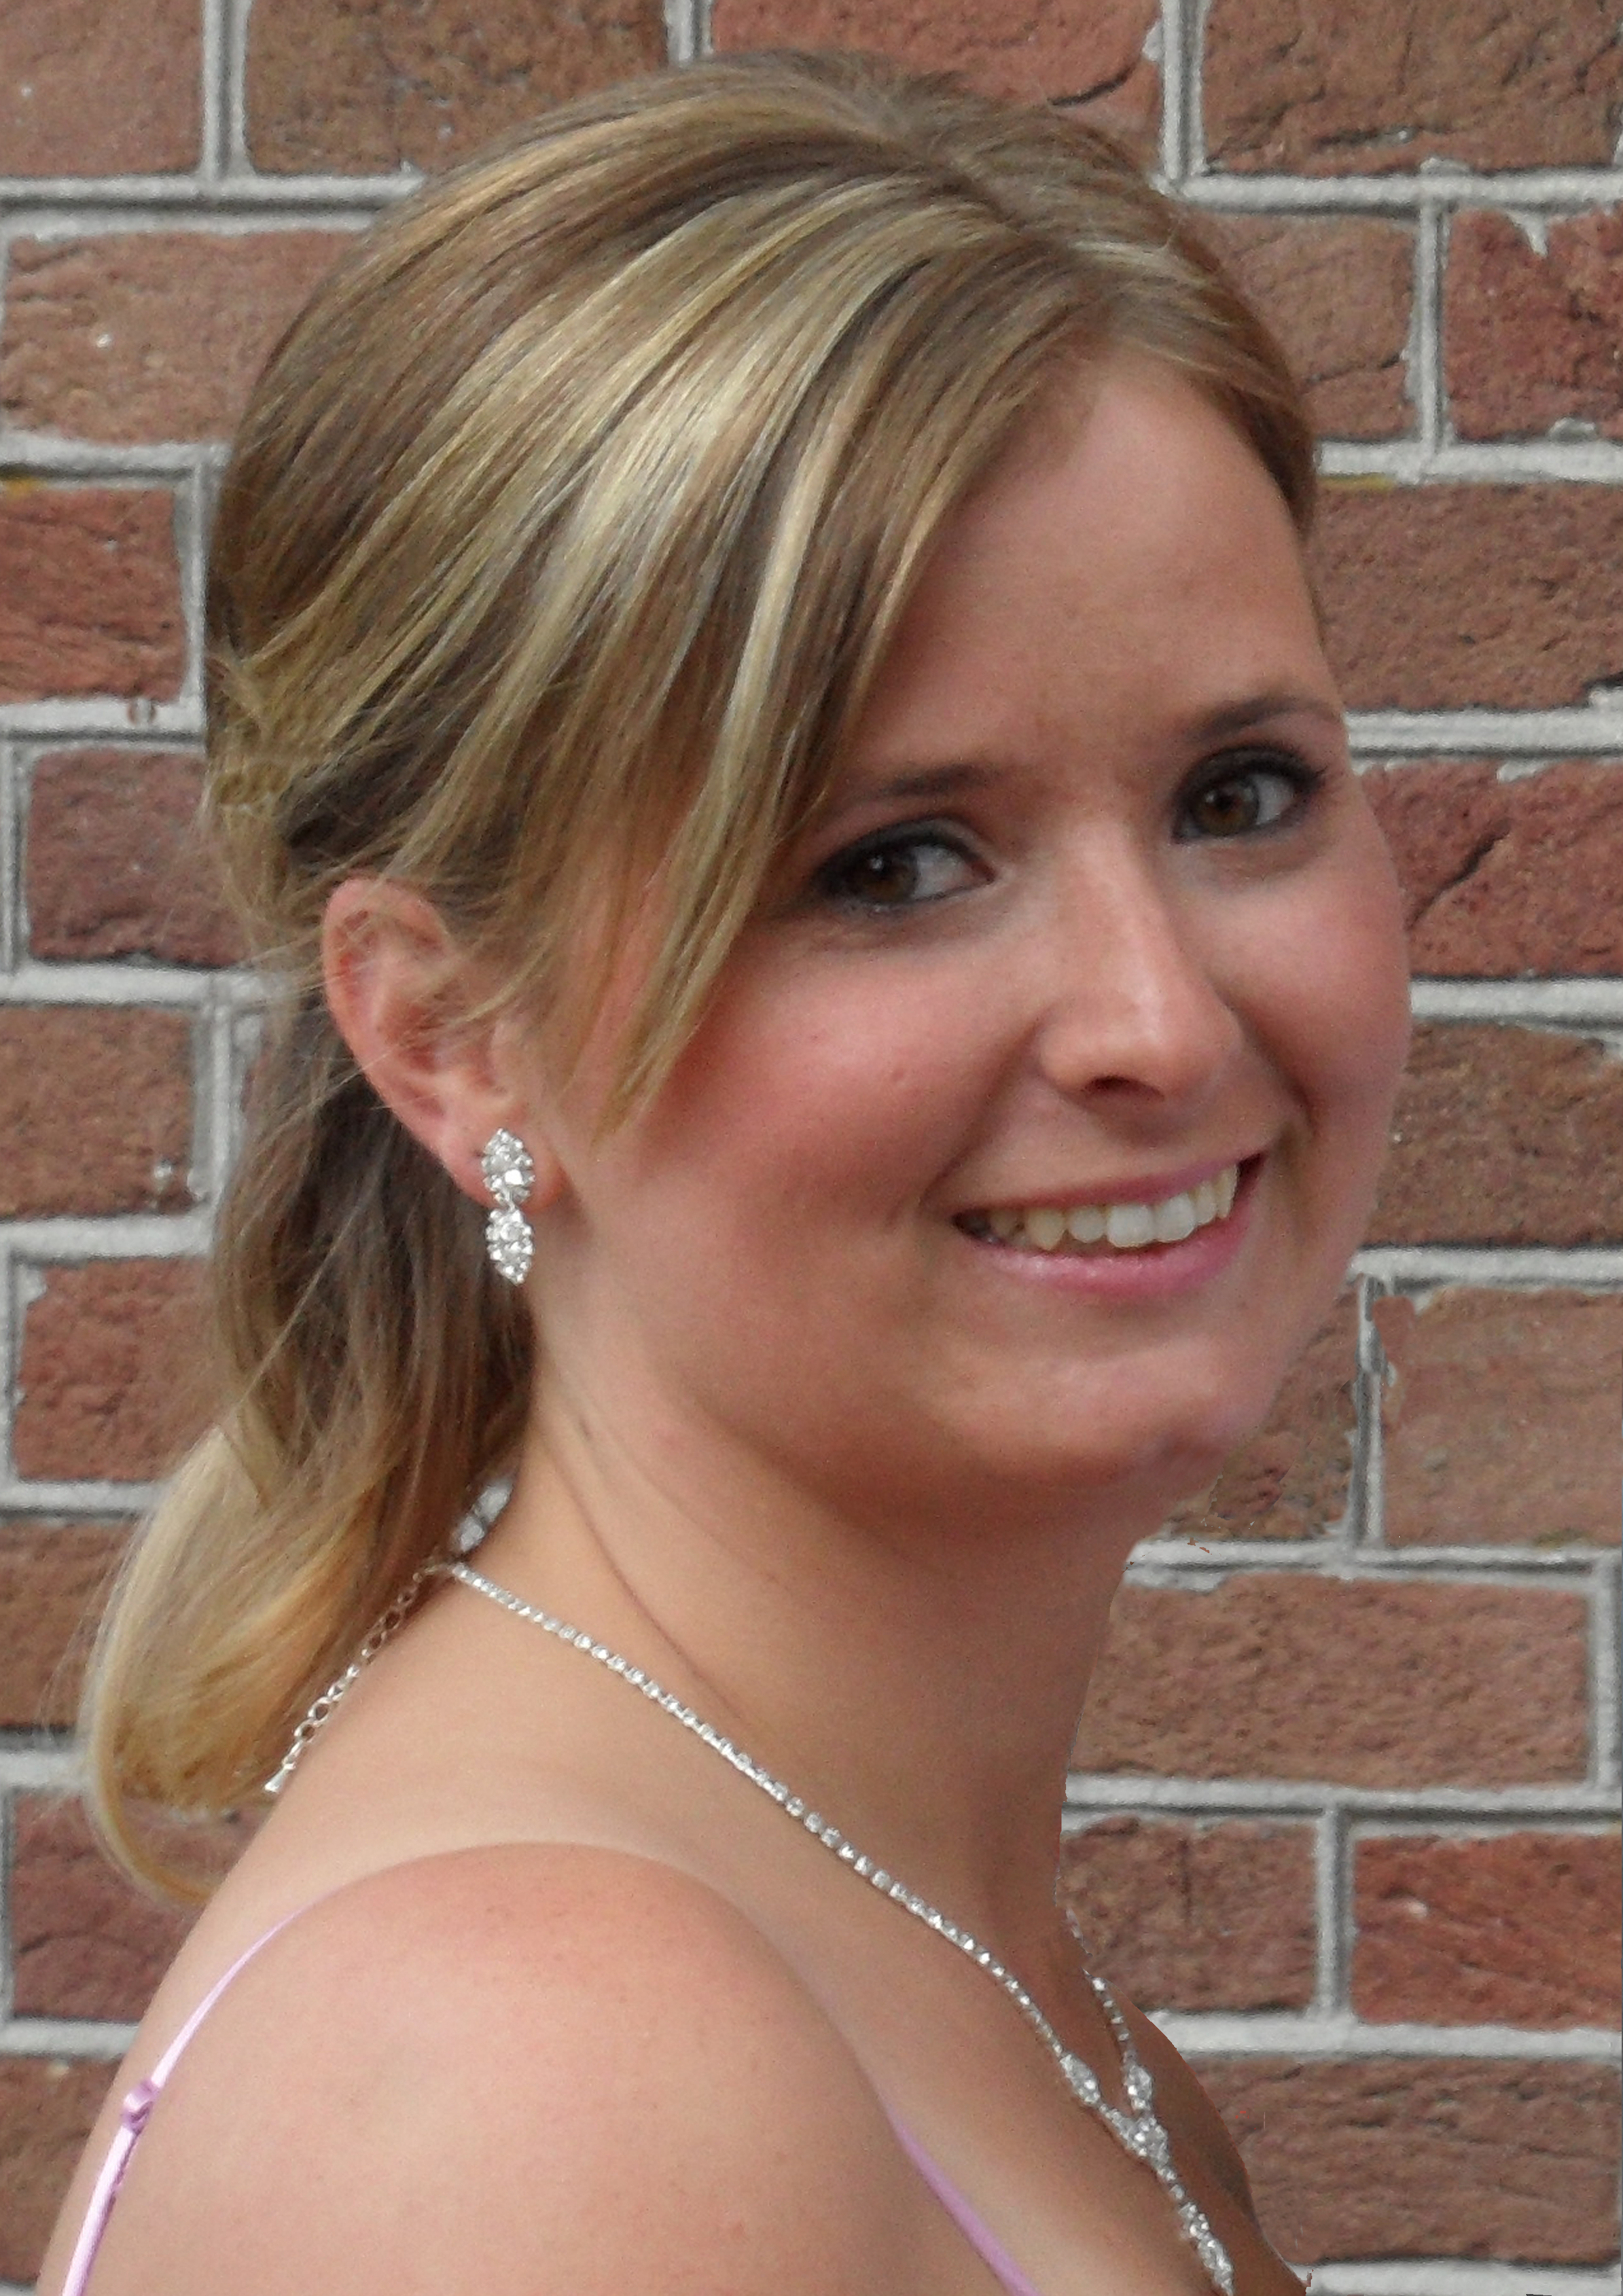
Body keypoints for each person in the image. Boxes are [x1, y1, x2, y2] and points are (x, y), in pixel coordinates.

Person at [40, 49, 1410, 2296]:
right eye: (897, 862)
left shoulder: (925, 1963)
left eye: (1239, 796)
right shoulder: (549, 2091)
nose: (1158, 1022)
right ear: (448, 1032)